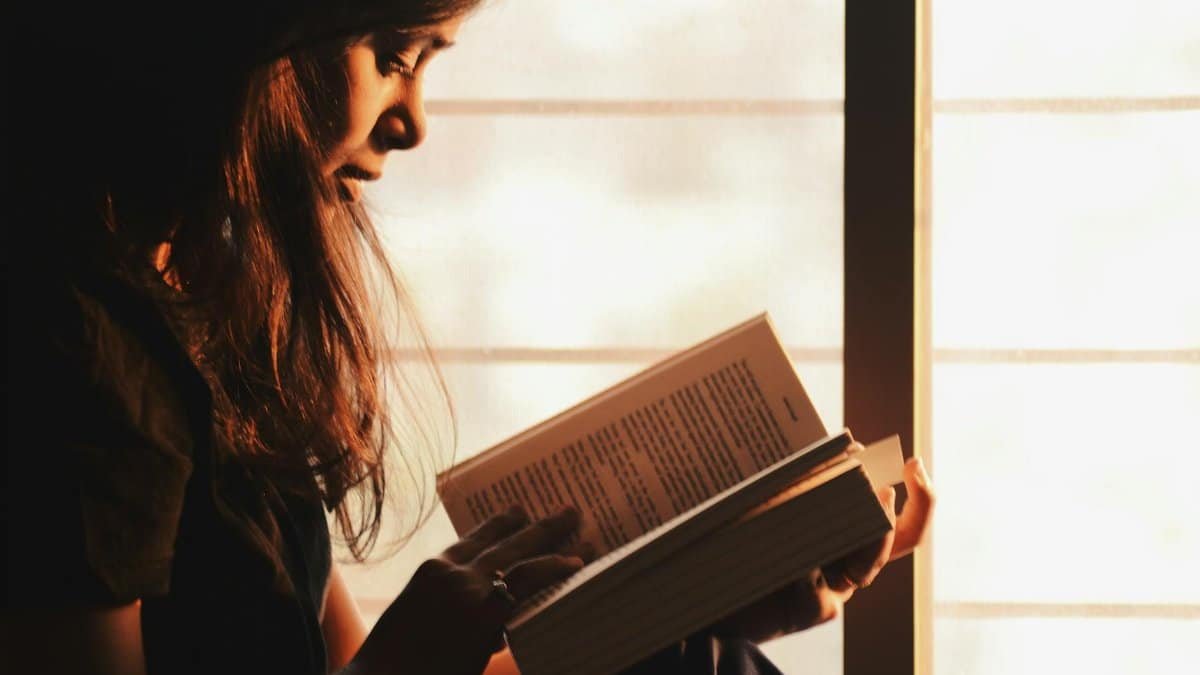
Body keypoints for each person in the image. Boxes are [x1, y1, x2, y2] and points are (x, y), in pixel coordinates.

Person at [2, 1, 934, 673]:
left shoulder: (208, 298)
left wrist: (688, 602)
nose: (411, 123)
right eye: (395, 51)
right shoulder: (75, 354)